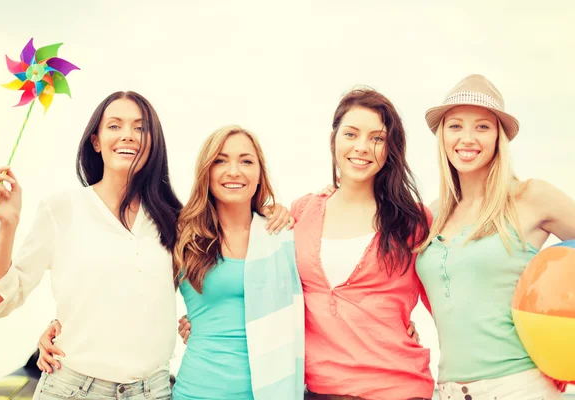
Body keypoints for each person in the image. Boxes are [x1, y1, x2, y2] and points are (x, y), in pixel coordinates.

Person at [181, 87, 433, 400]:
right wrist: (202, 319)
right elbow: (266, 287)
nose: (363, 147)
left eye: (377, 138)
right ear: (334, 140)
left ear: (391, 147)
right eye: (351, 134)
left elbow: (446, 301)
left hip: (397, 387)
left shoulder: (415, 221)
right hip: (318, 391)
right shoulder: (301, 213)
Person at [0, 91, 182, 400]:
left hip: (153, 391)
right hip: (73, 390)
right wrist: (7, 227)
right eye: (115, 126)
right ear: (96, 141)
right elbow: (0, 302)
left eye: (140, 128)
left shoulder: (174, 218)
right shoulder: (62, 208)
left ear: (153, 143)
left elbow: (211, 290)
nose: (128, 135)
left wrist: (272, 215)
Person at [415, 74, 575, 399]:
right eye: (456, 126)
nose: (468, 138)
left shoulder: (532, 197)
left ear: (499, 136)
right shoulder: (432, 216)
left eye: (483, 127)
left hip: (520, 386)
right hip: (446, 390)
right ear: (442, 134)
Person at [170, 125, 304, 399]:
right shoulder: (182, 237)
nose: (234, 171)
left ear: (259, 174)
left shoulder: (282, 235)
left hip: (272, 390)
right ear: (206, 172)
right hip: (197, 390)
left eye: (246, 160)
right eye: (220, 160)